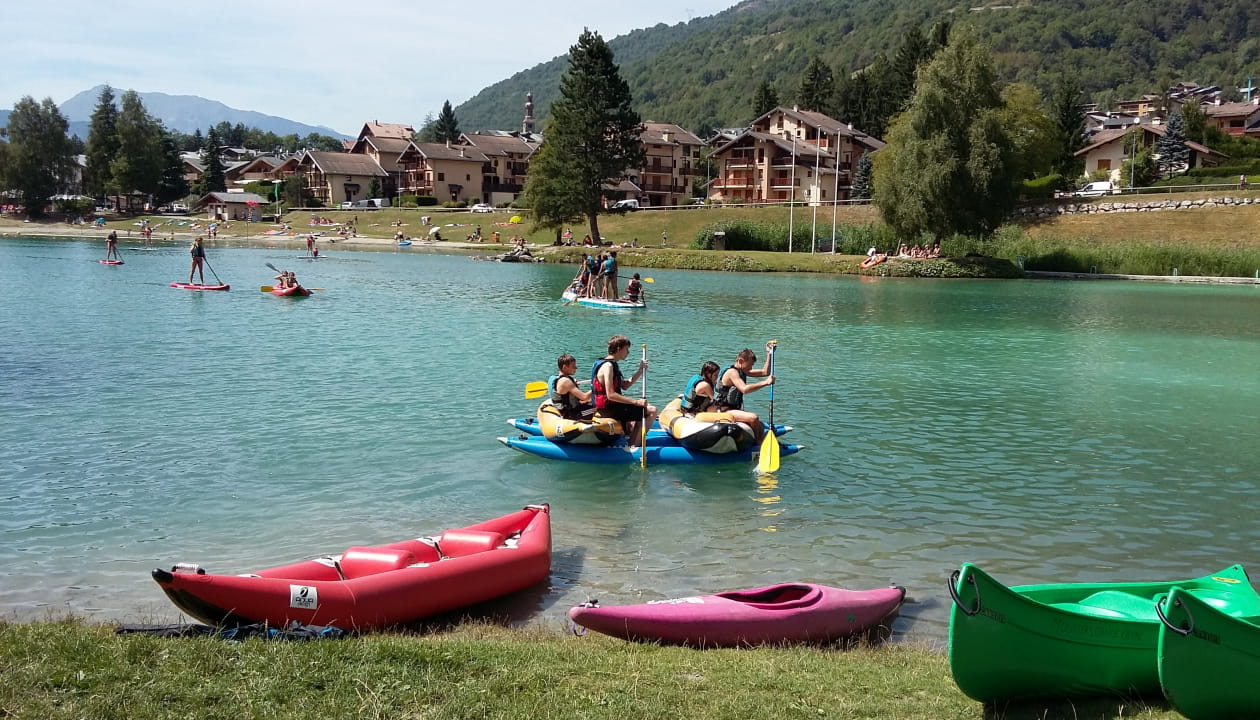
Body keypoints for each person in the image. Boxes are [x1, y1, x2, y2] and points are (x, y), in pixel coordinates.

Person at [591, 335, 657, 449]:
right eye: (626, 349)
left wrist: (640, 371)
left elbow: (625, 385)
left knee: (646, 406)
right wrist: (636, 402)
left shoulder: (611, 364)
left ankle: (631, 434)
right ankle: (633, 445)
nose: (628, 352)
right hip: (609, 408)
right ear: (618, 349)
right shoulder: (608, 367)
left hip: (613, 406)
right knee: (652, 410)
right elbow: (610, 395)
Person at [714, 342, 777, 442]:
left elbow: (765, 372)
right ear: (740, 361)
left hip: (734, 409)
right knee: (754, 418)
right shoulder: (732, 372)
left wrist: (769, 353)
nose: (751, 368)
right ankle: (757, 446)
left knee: (760, 426)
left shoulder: (742, 371)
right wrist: (765, 383)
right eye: (750, 365)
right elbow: (744, 389)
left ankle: (757, 443)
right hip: (723, 409)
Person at [550, 354, 595, 420]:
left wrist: (573, 382)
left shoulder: (556, 378)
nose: (576, 368)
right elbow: (584, 397)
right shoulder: (566, 381)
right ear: (565, 367)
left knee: (592, 401)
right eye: (573, 366)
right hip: (572, 413)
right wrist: (595, 387)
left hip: (570, 409)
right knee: (601, 407)